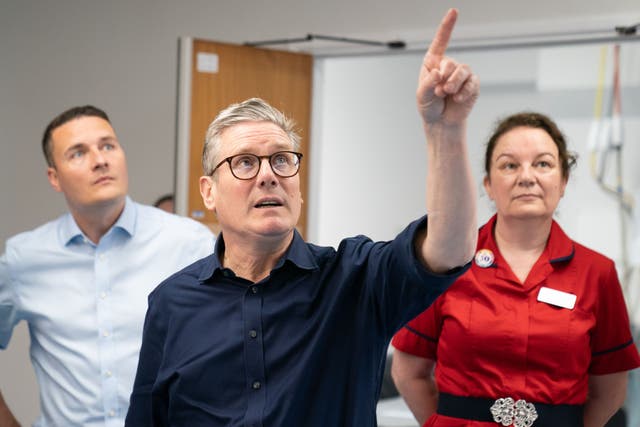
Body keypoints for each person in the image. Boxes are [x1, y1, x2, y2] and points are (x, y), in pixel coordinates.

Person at [125, 8, 479, 427]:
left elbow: (449, 248)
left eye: (281, 160)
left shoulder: (354, 281)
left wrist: (445, 133)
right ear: (209, 192)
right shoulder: (172, 303)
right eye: (244, 163)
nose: (268, 176)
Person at [390, 111, 640, 427]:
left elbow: (610, 390)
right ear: (488, 185)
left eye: (543, 164)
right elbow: (408, 372)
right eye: (509, 165)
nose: (526, 177)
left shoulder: (597, 273)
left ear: (563, 182)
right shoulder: (447, 262)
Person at [0, 105, 215, 426]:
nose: (100, 159)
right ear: (54, 178)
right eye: (78, 153)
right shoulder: (25, 258)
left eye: (108, 145)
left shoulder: (188, 243)